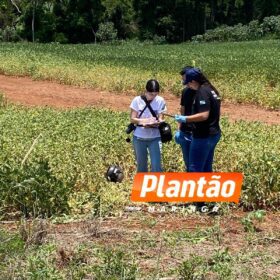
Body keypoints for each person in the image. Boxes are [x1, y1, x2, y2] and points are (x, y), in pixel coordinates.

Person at [175, 67, 221, 173]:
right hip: (213, 133)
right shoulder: (211, 89)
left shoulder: (202, 92)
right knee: (206, 168)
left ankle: (194, 189)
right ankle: (206, 189)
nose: (187, 85)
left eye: (188, 83)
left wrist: (185, 119)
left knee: (194, 169)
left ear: (194, 81)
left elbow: (204, 115)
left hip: (203, 136)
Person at [130, 79, 167, 172]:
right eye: (151, 94)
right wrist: (144, 122)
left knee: (156, 167)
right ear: (146, 91)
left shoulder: (160, 100)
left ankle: (156, 186)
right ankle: (142, 186)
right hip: (139, 138)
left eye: (155, 94)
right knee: (141, 167)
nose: (153, 97)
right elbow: (132, 119)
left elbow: (161, 118)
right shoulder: (137, 100)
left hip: (155, 138)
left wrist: (157, 122)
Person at [174, 66, 197, 171]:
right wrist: (179, 129)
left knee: (198, 163)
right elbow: (182, 110)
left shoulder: (203, 93)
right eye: (183, 80)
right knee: (188, 163)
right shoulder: (185, 92)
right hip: (185, 132)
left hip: (198, 134)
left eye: (186, 80)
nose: (184, 82)